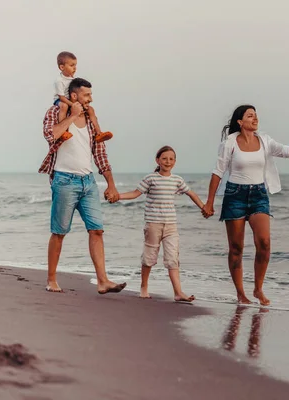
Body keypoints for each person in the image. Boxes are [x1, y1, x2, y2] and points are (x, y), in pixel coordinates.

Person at [202, 105, 289, 306]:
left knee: (264, 243)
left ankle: (258, 288)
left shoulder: (265, 140)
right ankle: (241, 293)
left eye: (256, 115)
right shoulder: (229, 143)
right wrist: (209, 202)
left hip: (259, 195)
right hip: (235, 195)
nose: (255, 118)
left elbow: (285, 151)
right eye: (250, 116)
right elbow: (218, 172)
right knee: (236, 248)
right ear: (240, 121)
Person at [38, 77, 126, 294]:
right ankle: (51, 279)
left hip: (88, 182)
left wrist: (110, 184)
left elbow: (100, 152)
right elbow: (51, 135)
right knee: (59, 232)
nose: (91, 99)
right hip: (64, 180)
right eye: (87, 95)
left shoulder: (90, 117)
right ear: (74, 96)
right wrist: (73, 115)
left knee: (97, 230)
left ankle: (103, 280)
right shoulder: (55, 111)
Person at [116, 146, 204, 302]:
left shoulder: (177, 180)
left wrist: (204, 208)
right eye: (164, 158)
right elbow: (135, 193)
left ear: (175, 162)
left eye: (171, 159)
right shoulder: (151, 178)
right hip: (153, 225)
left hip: (171, 226)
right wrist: (118, 196)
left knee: (172, 259)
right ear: (158, 160)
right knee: (149, 258)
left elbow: (191, 193)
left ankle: (178, 292)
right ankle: (144, 287)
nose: (168, 161)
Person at [53, 51, 113, 143]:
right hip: (61, 100)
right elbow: (61, 98)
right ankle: (63, 132)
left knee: (91, 110)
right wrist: (73, 105)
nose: (75, 68)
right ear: (62, 67)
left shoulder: (72, 79)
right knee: (64, 106)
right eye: (72, 65)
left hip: (70, 100)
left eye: (75, 65)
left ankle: (99, 133)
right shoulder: (59, 81)